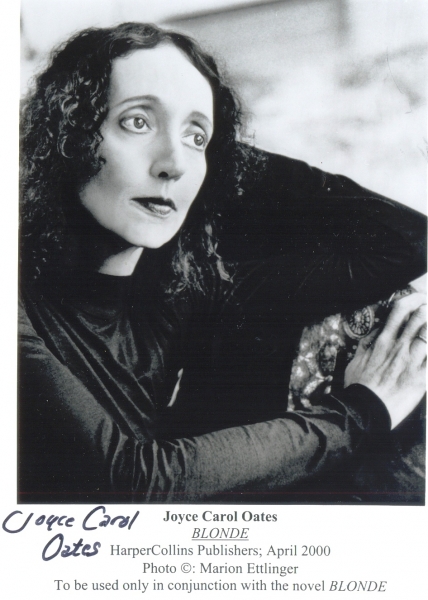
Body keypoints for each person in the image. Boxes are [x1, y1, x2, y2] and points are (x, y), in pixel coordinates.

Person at [19, 22, 426, 504]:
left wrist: (221, 156)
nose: (173, 164)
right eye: (137, 122)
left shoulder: (179, 283)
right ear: (65, 134)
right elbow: (133, 481)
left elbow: (407, 240)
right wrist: (360, 413)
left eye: (197, 137)